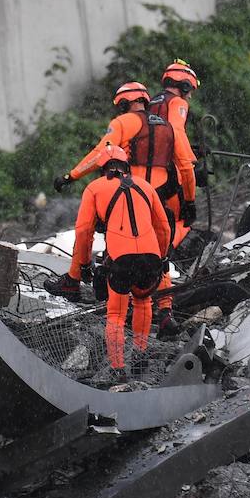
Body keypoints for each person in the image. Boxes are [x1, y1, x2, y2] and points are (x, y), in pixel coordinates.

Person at [46, 144, 171, 383]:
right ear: (126, 166)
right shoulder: (146, 186)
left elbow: (84, 233)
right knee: (143, 302)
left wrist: (82, 265)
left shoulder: (95, 188)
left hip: (121, 260)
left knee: (116, 314)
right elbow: (163, 228)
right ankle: (140, 354)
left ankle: (117, 368)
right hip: (151, 258)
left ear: (103, 168)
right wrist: (163, 258)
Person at [147, 59, 200, 335]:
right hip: (168, 185)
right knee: (165, 244)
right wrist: (189, 196)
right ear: (183, 85)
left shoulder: (150, 104)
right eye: (190, 88)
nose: (190, 95)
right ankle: (164, 311)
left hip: (142, 184)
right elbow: (178, 144)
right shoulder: (178, 104)